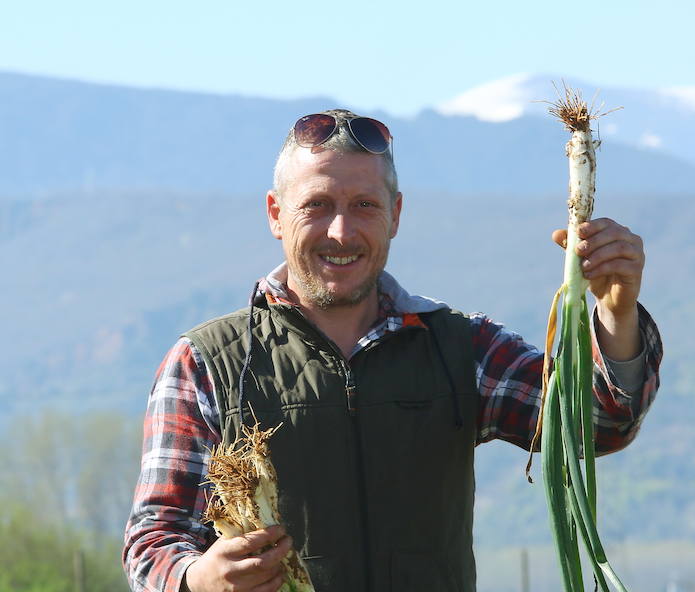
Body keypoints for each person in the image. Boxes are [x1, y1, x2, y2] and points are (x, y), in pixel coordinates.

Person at [123, 109, 663, 592]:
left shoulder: (458, 346)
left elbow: (594, 425)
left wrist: (616, 312)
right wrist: (198, 579)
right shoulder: (208, 362)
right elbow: (153, 541)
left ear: (396, 215)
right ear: (275, 214)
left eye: (364, 206)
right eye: (317, 205)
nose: (341, 231)